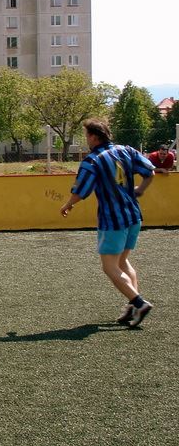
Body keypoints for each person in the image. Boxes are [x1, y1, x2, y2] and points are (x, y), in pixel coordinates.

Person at [60, 119, 155, 327]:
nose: (86, 140)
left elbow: (81, 190)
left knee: (110, 267)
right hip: (133, 216)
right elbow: (150, 171)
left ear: (94, 137)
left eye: (87, 136)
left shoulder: (93, 160)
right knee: (122, 262)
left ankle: (139, 303)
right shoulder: (126, 150)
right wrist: (140, 190)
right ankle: (132, 307)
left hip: (113, 220)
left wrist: (68, 205)